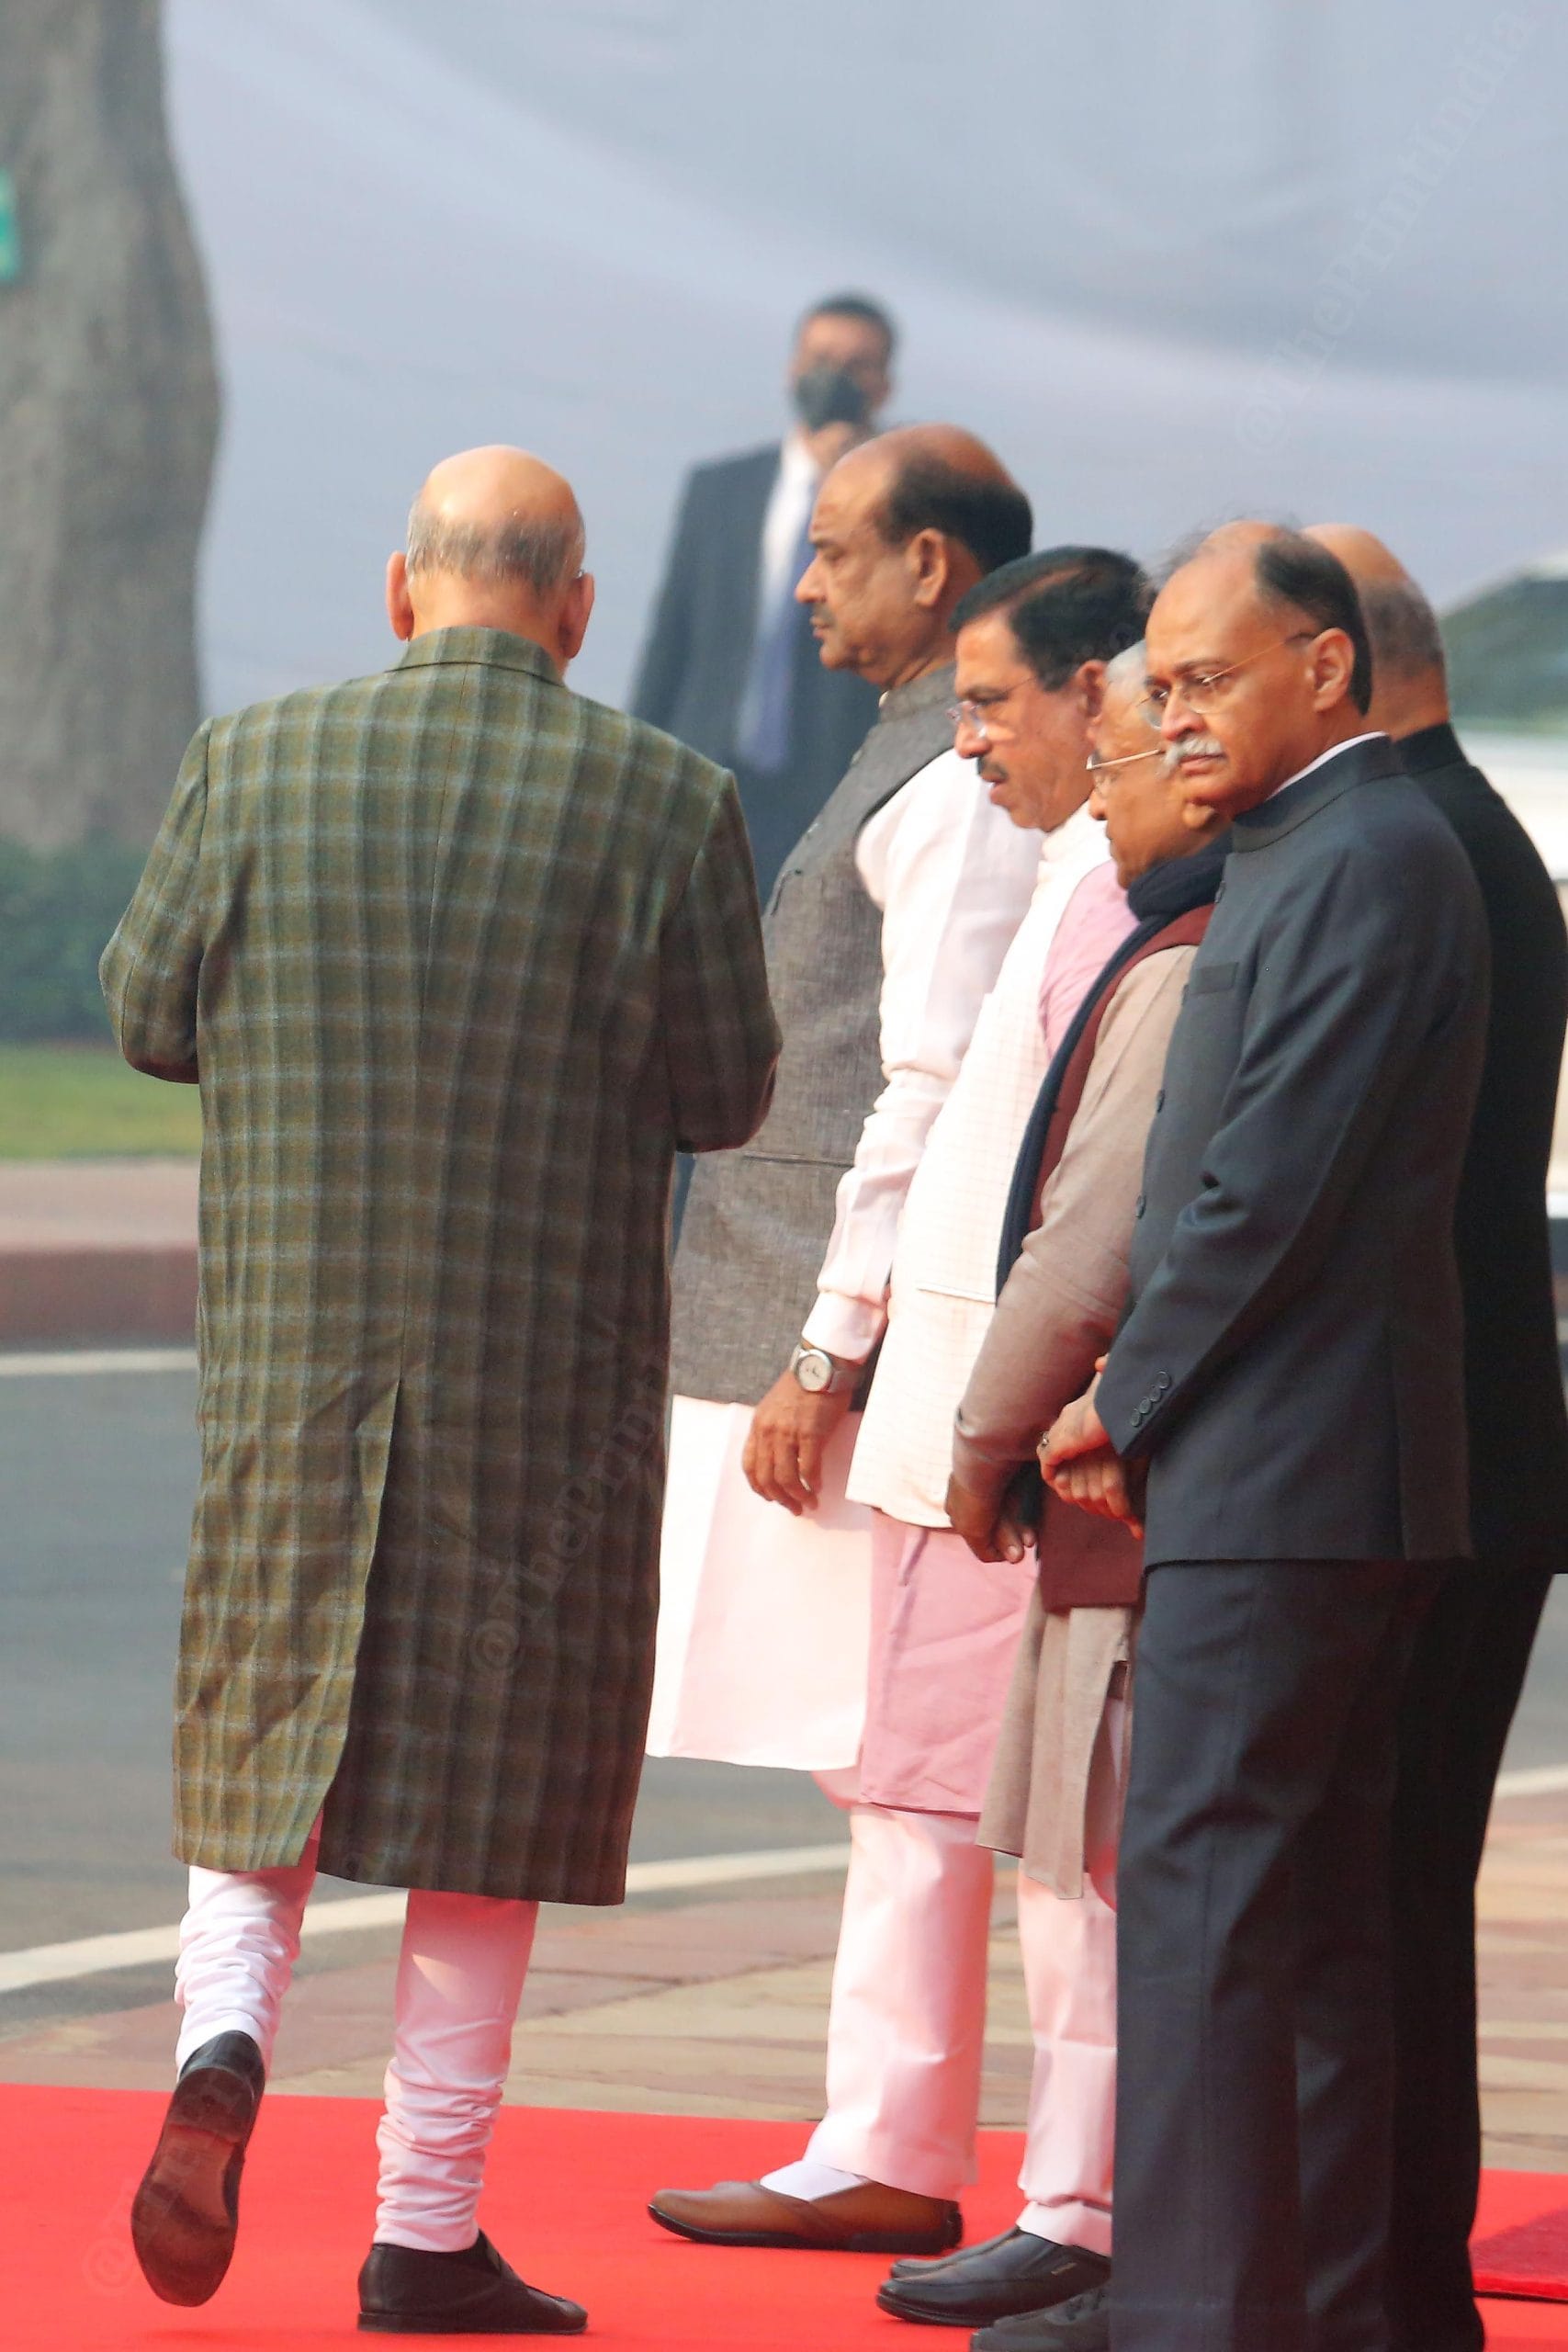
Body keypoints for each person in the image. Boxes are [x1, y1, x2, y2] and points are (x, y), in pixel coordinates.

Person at [102, 447, 780, 2336]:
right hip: (536, 1382)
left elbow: (150, 1009)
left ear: (404, 591)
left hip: (293, 1364)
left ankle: (226, 2038)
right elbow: (726, 1092)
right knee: (489, 1809)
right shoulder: (667, 796)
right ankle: (421, 2228)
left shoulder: (252, 760)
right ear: (569, 609)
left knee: (262, 1737)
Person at [1041, 525, 1489, 2352]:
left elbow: (1259, 1189)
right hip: (1309, 1467)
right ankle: (1301, 2308)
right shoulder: (1334, 848)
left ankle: (1203, 2312)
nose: (1172, 713)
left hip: (1289, 1474)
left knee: (1216, 1912)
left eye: (1206, 677)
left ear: (1323, 668)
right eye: (1158, 685)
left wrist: (1116, 1393)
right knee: (1289, 1923)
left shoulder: (1362, 857)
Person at [647, 427, 1038, 2255]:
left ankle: (903, 2139)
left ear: (934, 568)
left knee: (908, 1758)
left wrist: (832, 1348)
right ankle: (898, 2126)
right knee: (889, 1761)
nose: (803, 583)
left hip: (842, 1345)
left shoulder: (955, 777)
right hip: (796, 1317)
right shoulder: (899, 746)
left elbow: (933, 1084)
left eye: (834, 552)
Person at [873, 651, 1227, 2343]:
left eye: (1124, 752)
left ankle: (1088, 2206)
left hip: (1123, 1463)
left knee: (1095, 1856)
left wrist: (987, 1430)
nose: (1096, 786)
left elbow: (1091, 1229)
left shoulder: (1174, 944)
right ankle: (1101, 2199)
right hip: (1144, 1451)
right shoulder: (1161, 907)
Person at [1307, 524, 1568, 2352]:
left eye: (1204, 670)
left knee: (1365, 1902)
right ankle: (1389, 2286)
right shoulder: (1464, 835)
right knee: (1390, 1894)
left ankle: (1372, 2289)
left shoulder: (1403, 850)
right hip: (1466, 1444)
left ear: (1326, 662)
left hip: (1420, 1458)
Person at [630, 292, 896, 895]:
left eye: (857, 364)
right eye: (821, 357)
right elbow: (671, 637)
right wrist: (637, 765)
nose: (835, 377)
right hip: (708, 767)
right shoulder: (721, 489)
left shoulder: (902, 497)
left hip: (832, 777)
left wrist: (860, 480)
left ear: (883, 384)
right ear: (791, 367)